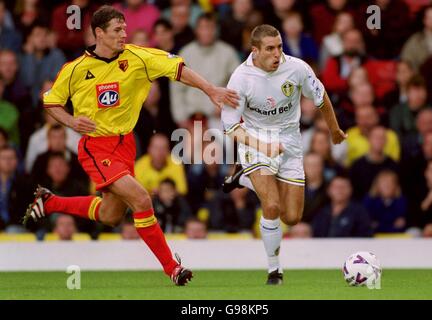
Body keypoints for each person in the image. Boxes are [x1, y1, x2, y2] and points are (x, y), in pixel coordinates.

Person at [23, 5, 239, 286]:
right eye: (117, 30)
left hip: (126, 144)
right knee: (141, 199)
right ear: (99, 33)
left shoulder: (138, 57)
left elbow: (178, 69)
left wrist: (211, 89)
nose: (124, 34)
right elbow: (50, 100)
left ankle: (50, 202)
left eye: (125, 28)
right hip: (96, 145)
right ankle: (172, 268)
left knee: (111, 215)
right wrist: (71, 122)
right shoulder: (75, 69)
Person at [221, 24, 346, 285]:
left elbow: (321, 98)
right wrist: (262, 146)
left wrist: (334, 130)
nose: (277, 54)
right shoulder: (241, 78)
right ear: (254, 51)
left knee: (292, 217)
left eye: (279, 46)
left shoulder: (297, 68)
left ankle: (244, 178)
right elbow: (231, 127)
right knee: (273, 206)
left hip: (290, 140)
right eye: (270, 49)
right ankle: (274, 270)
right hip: (255, 141)